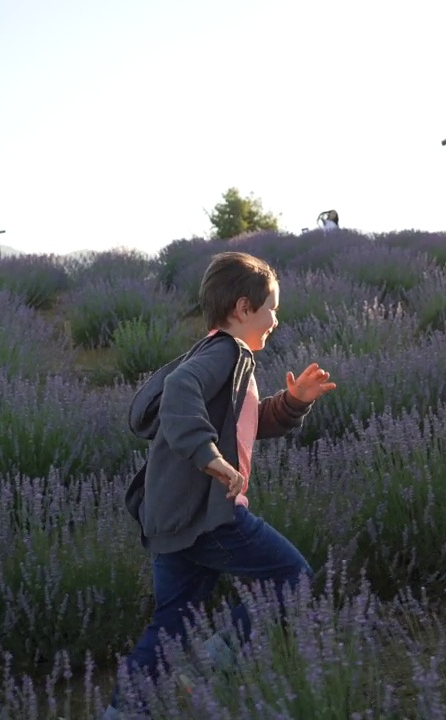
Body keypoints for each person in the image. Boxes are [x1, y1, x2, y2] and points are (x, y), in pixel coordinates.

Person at [106, 251, 337, 718]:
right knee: (294, 580)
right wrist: (210, 458)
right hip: (209, 514)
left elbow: (242, 423)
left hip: (174, 516)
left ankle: (124, 711)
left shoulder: (222, 354)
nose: (276, 318)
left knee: (171, 624)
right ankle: (212, 663)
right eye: (270, 307)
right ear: (242, 308)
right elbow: (179, 394)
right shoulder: (224, 354)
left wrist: (291, 402)